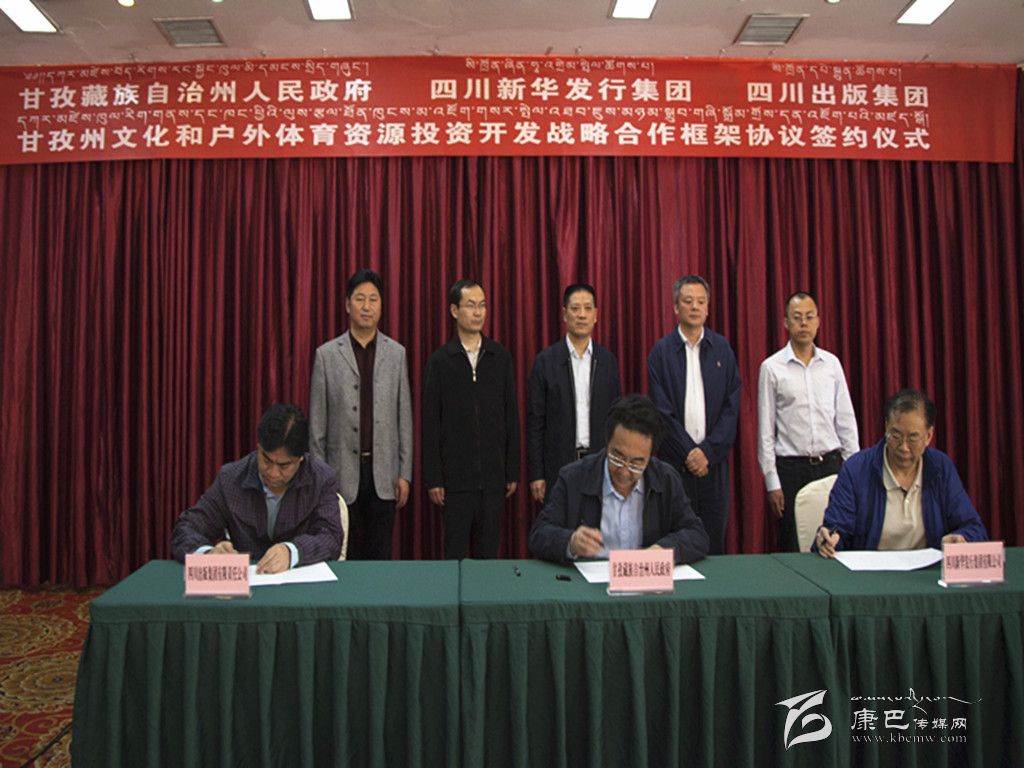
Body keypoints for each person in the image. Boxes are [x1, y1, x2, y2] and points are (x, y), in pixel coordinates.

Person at [528, 394, 709, 564]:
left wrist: (663, 550)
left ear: (650, 457)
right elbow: (539, 533)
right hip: (590, 580)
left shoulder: (666, 479)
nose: (624, 471)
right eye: (617, 457)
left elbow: (697, 535)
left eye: (636, 463)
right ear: (607, 443)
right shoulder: (574, 477)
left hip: (645, 579)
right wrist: (571, 542)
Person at [309, 268, 413, 560]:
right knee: (345, 555)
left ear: (381, 305)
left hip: (384, 475)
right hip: (340, 476)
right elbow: (317, 427)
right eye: (360, 299)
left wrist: (404, 473)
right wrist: (321, 479)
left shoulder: (396, 354)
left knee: (380, 556)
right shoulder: (327, 355)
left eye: (373, 299)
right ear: (347, 304)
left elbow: (404, 418)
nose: (366, 306)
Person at [170, 404, 343, 573]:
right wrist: (208, 554)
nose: (273, 473)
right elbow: (187, 528)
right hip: (245, 583)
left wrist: (292, 552)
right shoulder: (230, 479)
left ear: (301, 459)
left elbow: (331, 538)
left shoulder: (321, 479)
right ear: (258, 448)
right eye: (266, 460)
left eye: (284, 465)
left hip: (300, 584)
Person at [815, 389, 987, 556]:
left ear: (928, 436)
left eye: (913, 438)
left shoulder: (940, 468)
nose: (904, 447)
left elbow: (974, 528)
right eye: (896, 435)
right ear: (886, 427)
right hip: (871, 571)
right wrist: (829, 539)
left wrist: (962, 538)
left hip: (927, 571)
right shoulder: (856, 469)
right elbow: (835, 529)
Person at [422, 279, 520, 559]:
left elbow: (510, 416)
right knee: (455, 555)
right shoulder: (441, 361)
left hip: (493, 480)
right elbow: (431, 424)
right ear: (454, 311)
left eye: (482, 305)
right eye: (470, 305)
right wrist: (434, 478)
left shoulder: (499, 357)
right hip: (455, 482)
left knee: (488, 558)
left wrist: (511, 470)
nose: (478, 312)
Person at [757, 291, 860, 552]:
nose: (803, 323)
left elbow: (846, 420)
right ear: (786, 322)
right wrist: (772, 482)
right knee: (794, 544)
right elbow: (765, 431)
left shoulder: (831, 364)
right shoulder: (771, 367)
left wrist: (854, 470)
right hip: (791, 469)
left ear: (818, 321)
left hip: (831, 466)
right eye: (797, 317)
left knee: (836, 539)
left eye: (809, 317)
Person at [647, 275, 740, 555]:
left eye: (701, 301)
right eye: (688, 301)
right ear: (676, 307)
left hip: (713, 465)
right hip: (675, 465)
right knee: (674, 541)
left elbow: (732, 408)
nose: (695, 307)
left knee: (713, 543)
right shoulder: (661, 352)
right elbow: (661, 412)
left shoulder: (722, 349)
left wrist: (706, 453)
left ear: (708, 308)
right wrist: (689, 452)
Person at [526, 283, 621, 504]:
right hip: (558, 464)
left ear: (596, 315)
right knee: (561, 523)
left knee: (596, 522)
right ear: (564, 314)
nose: (582, 315)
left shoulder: (607, 361)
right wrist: (537, 473)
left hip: (599, 462)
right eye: (575, 308)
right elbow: (535, 422)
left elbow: (616, 418)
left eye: (588, 308)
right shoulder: (546, 361)